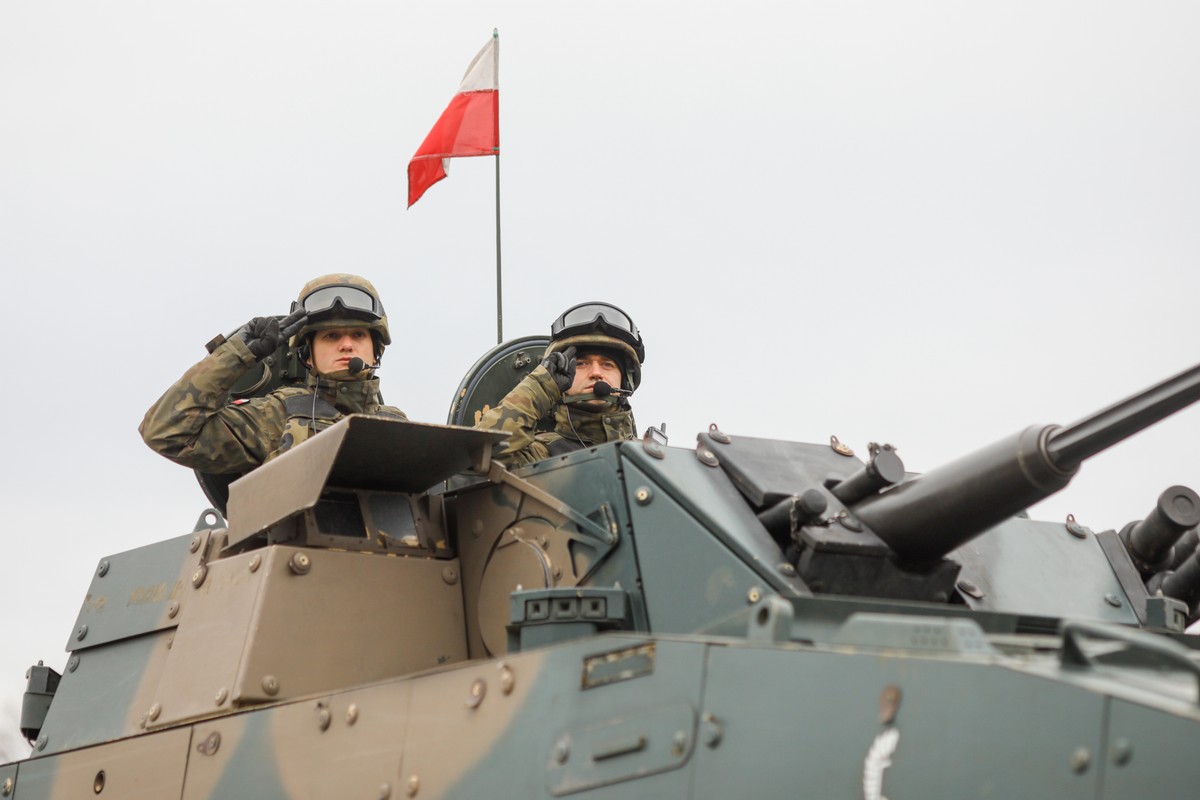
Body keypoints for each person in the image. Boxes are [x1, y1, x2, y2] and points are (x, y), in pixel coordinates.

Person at [140, 274, 406, 474]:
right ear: (307, 354)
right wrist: (238, 354)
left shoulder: (397, 426)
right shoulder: (278, 415)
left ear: (376, 351)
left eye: (358, 335)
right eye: (331, 336)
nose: (346, 345)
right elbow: (165, 432)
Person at [477, 301, 645, 467]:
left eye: (607, 364)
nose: (596, 372)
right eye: (581, 364)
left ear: (626, 380)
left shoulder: (647, 456)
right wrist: (542, 385)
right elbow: (481, 455)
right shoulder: (540, 455)